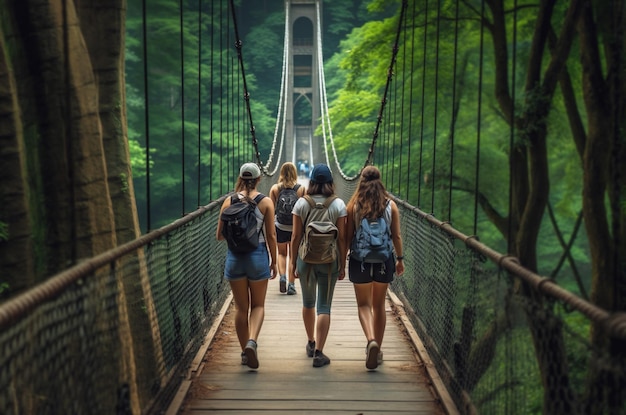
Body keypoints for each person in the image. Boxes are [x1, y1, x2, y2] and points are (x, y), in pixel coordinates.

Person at [216, 162, 278, 369]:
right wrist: (275, 262)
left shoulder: (228, 201)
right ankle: (252, 341)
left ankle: (244, 352)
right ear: (259, 179)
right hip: (257, 256)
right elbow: (270, 235)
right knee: (258, 305)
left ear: (240, 178)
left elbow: (219, 236)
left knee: (241, 308)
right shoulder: (266, 202)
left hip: (234, 259)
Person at [345, 165, 404, 370]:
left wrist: (342, 262)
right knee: (379, 305)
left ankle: (370, 340)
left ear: (361, 181)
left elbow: (348, 236)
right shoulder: (390, 205)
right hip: (384, 260)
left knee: (364, 305)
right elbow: (396, 236)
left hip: (360, 260)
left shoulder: (353, 206)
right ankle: (377, 350)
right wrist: (400, 259)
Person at [290, 163, 347, 367]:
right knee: (324, 307)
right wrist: (342, 265)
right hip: (330, 261)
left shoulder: (301, 204)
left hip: (305, 260)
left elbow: (296, 236)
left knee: (308, 303)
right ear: (331, 183)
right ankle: (320, 353)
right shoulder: (339, 204)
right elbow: (341, 239)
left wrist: (292, 262)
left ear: (311, 182)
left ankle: (311, 342)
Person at [270, 162, 306, 295]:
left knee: (282, 253)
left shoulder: (275, 189)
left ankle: (282, 277)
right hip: (295, 228)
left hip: (280, 226)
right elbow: (304, 211)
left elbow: (271, 210)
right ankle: (291, 285)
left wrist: (271, 228)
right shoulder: (301, 189)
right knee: (293, 256)